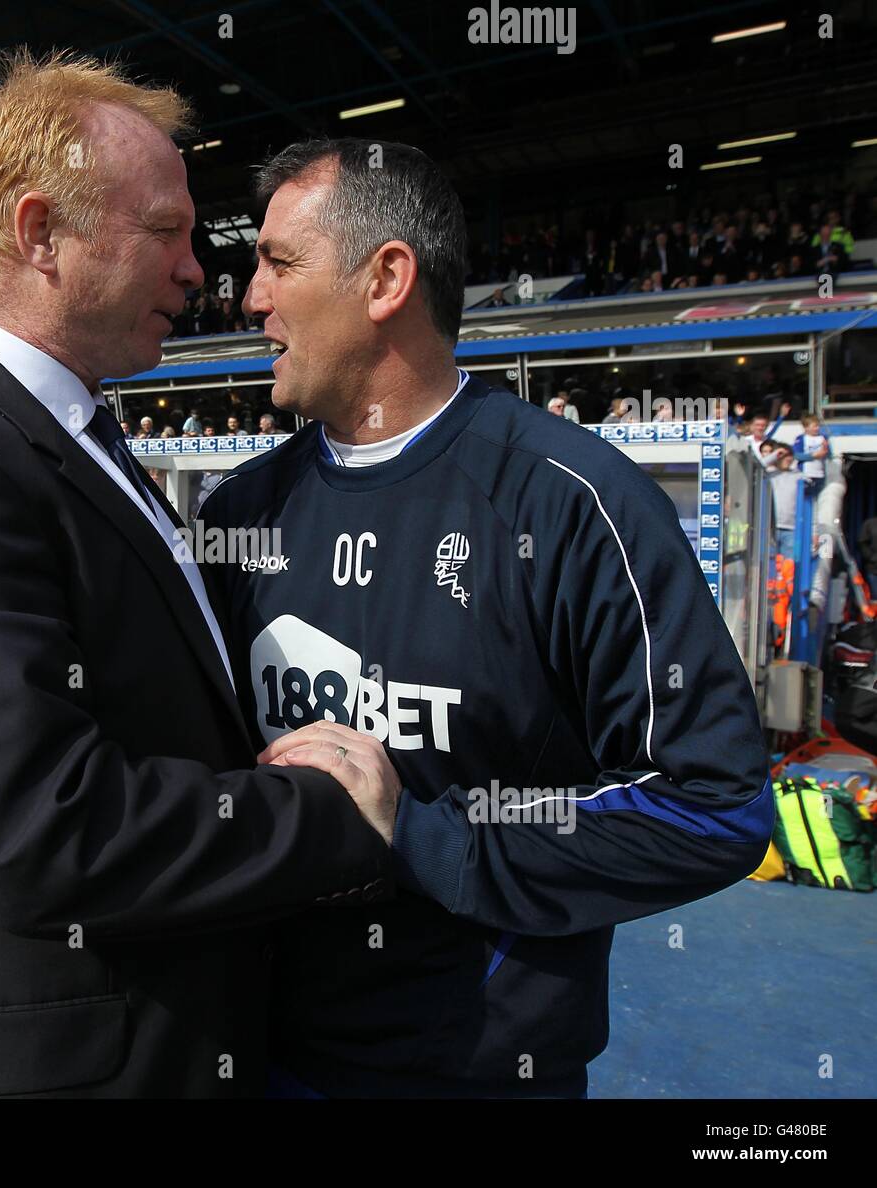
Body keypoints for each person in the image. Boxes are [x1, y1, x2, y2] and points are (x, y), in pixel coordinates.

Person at [0, 50, 395, 1101]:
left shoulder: (70, 435)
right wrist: (324, 812)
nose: (197, 269)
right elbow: (42, 831)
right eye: (165, 230)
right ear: (40, 234)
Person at [198, 137, 772, 1099]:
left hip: (478, 1070)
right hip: (261, 1055)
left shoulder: (572, 502)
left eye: (278, 262)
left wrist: (424, 838)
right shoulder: (237, 517)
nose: (249, 297)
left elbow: (712, 805)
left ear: (386, 279)